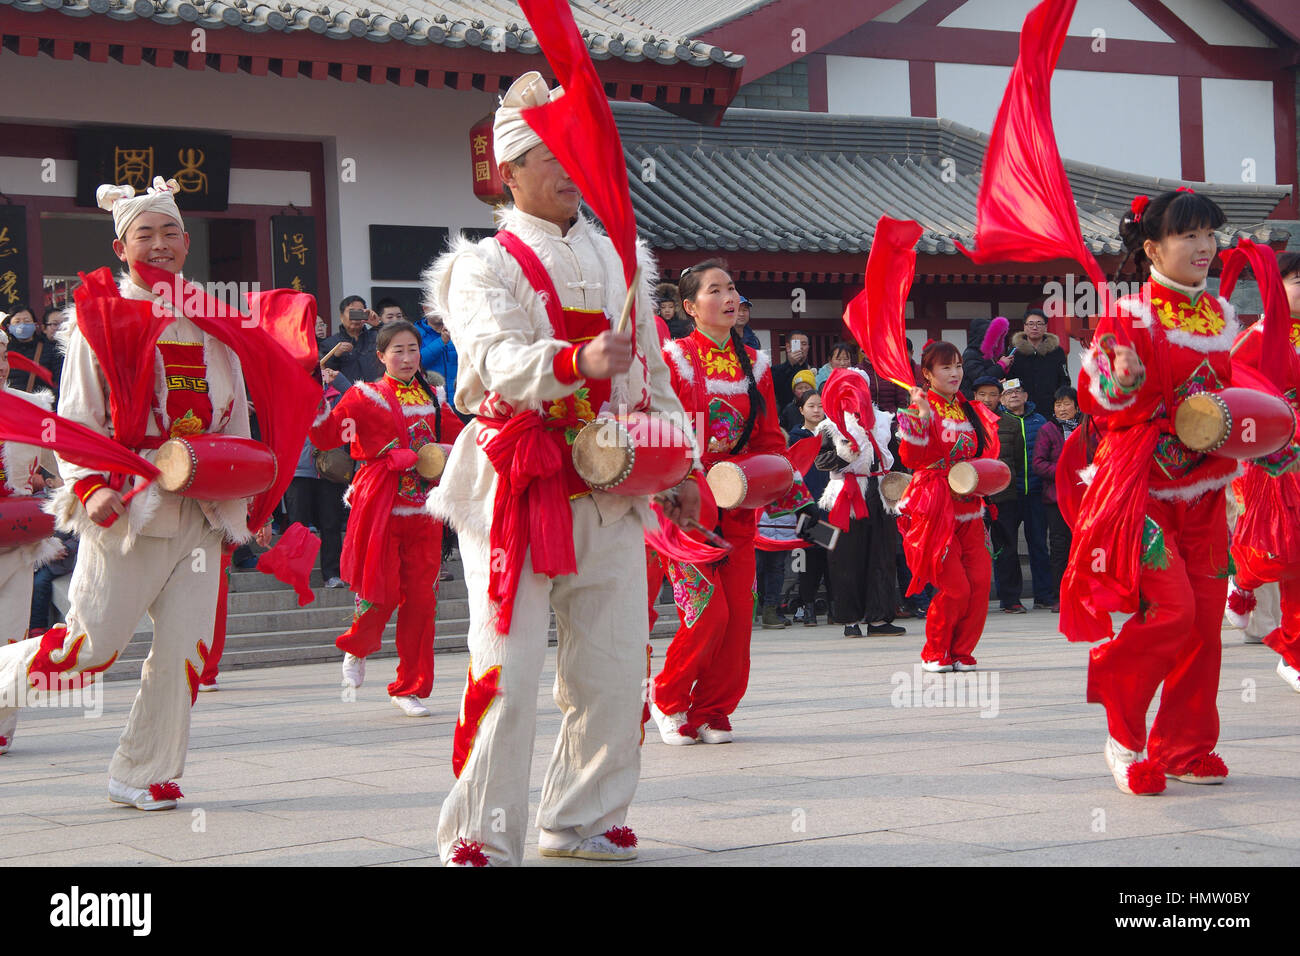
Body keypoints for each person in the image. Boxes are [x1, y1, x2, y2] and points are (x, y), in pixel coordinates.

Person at [423, 71, 697, 866]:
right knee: (504, 669)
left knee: (613, 668)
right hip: (519, 480)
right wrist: (573, 359)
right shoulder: (480, 265)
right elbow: (496, 360)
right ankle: (477, 832)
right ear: (508, 172)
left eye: (573, 152)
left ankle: (582, 819)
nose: (566, 169)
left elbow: (654, 370)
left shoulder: (623, 260)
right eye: (546, 155)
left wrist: (679, 459)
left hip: (612, 482)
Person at [0, 177, 273, 806]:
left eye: (170, 232)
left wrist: (253, 498)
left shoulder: (214, 322)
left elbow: (236, 423)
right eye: (143, 234)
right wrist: (90, 484)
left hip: (203, 511)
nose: (159, 245)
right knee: (86, 651)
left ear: (186, 241)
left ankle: (141, 770)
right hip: (128, 509)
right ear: (121, 247)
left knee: (186, 650)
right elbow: (75, 420)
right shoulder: (102, 319)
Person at [1063, 189, 1262, 795]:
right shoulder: (1131, 316)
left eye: (1210, 235)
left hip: (1205, 495)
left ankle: (1184, 746)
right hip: (1140, 492)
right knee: (1171, 613)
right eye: (1188, 236)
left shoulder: (1222, 317)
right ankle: (1125, 738)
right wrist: (1120, 379)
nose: (1205, 248)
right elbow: (1099, 399)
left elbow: (1235, 401)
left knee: (1204, 626)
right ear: (1151, 247)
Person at [652, 259, 807, 746]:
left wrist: (781, 481)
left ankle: (712, 709)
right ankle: (668, 699)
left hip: (738, 501)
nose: (728, 296)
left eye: (732, 288)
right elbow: (656, 432)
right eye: (715, 290)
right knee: (707, 613)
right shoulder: (673, 360)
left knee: (739, 616)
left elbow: (767, 438)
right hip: (685, 504)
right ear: (691, 307)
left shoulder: (756, 365)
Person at [309, 320, 462, 717]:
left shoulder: (436, 399)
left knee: (422, 602)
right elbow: (326, 437)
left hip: (425, 512)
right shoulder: (364, 397)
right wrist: (310, 396)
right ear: (380, 356)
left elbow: (461, 441)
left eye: (413, 349)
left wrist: (437, 453)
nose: (408, 357)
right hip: (381, 505)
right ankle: (357, 646)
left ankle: (408, 686)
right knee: (383, 591)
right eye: (398, 350)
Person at [896, 341, 1000, 672]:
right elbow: (911, 459)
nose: (955, 373)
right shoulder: (921, 408)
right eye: (946, 367)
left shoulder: (969, 408)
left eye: (957, 366)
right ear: (927, 374)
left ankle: (962, 652)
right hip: (936, 510)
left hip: (970, 509)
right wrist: (921, 418)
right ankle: (935, 652)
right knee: (955, 588)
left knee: (981, 583)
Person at [1224, 250, 1300, 693]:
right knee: (1278, 552)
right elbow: (1229, 385)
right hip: (1273, 462)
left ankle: (1291, 652)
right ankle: (1243, 583)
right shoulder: (1260, 337)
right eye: (1296, 280)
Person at [814, 367, 904, 638]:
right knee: (845, 557)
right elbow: (820, 461)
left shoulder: (884, 419)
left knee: (883, 555)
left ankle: (879, 618)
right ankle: (849, 619)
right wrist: (844, 456)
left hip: (880, 490)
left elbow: (898, 453)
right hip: (846, 493)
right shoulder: (830, 424)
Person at [990, 378, 1052, 613]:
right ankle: (1009, 598)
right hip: (1008, 494)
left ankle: (1044, 595)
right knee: (1006, 547)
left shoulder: (1041, 421)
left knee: (1038, 545)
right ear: (1002, 400)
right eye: (1008, 393)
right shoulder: (996, 422)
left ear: (1026, 396)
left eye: (1018, 392)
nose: (1013, 396)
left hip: (1035, 491)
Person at [1031, 385, 1085, 612]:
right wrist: (1065, 471)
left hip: (1085, 497)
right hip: (1057, 498)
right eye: (1058, 404)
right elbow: (1039, 463)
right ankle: (1060, 596)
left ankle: (1085, 594)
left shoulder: (1087, 427)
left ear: (1077, 405)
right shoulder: (1048, 430)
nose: (1062, 409)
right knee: (1060, 547)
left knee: (1083, 547)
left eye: (1066, 403)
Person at [788, 390, 831, 626]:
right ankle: (808, 606)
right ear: (801, 410)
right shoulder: (795, 438)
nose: (816, 410)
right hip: (807, 506)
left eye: (820, 406)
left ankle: (835, 606)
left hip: (831, 506)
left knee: (831, 557)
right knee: (808, 558)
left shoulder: (832, 435)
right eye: (812, 406)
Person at [1005, 309, 1070, 417]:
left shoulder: (1056, 351)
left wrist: (1059, 402)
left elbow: (1064, 380)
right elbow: (1009, 380)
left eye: (1039, 324)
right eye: (1031, 324)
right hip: (1022, 409)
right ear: (1025, 327)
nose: (1035, 327)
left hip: (1050, 408)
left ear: (1045, 327)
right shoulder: (1014, 352)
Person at [320, 294, 382, 384]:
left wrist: (378, 324)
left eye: (359, 313)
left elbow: (395, 341)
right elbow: (323, 373)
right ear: (341, 317)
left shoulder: (377, 337)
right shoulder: (329, 344)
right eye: (352, 312)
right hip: (345, 395)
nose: (356, 318)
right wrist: (335, 356)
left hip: (376, 392)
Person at [2, 304, 60, 393]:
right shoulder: (4, 351)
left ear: (35, 325)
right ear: (9, 327)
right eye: (17, 322)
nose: (22, 325)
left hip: (40, 403)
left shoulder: (50, 349)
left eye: (27, 321)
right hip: (10, 403)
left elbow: (59, 381)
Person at [414, 308, 458, 407]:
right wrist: (442, 341)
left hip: (459, 400)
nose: (439, 310)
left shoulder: (457, 330)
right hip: (430, 401)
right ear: (424, 308)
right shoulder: (415, 333)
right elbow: (417, 362)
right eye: (434, 306)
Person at [773, 330, 812, 409]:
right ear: (788, 347)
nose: (801, 347)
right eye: (797, 344)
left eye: (804, 344)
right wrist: (791, 364)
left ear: (808, 348)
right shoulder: (776, 370)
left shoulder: (812, 371)